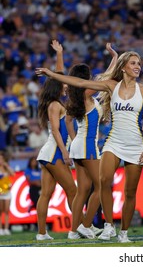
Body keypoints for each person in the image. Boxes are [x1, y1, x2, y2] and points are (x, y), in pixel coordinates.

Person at [36, 49, 143, 243]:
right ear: (124, 67)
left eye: (138, 63)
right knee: (100, 185)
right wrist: (52, 74)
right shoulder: (98, 91)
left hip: (107, 145)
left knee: (84, 191)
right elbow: (82, 83)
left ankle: (79, 229)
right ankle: (93, 225)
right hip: (96, 144)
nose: (137, 66)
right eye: (132, 63)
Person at [65, 43, 118, 240]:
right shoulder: (85, 93)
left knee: (83, 190)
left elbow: (68, 121)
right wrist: (114, 57)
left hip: (79, 144)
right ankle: (86, 225)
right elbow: (106, 77)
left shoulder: (75, 96)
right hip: (87, 145)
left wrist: (72, 140)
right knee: (102, 186)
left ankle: (73, 231)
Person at [35, 40, 77, 241]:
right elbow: (55, 130)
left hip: (50, 153)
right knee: (73, 190)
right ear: (57, 87)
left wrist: (59, 53)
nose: (67, 86)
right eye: (64, 85)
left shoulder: (56, 101)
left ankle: (42, 234)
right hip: (55, 152)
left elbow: (58, 74)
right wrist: (66, 153)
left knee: (46, 194)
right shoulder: (54, 105)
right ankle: (77, 229)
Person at [0, 151, 15, 236]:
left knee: (6, 211)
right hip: (0, 193)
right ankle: (0, 229)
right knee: (0, 211)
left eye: (1, 158)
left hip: (7, 192)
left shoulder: (6, 168)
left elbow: (13, 174)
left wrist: (6, 166)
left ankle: (6, 229)